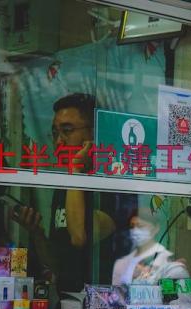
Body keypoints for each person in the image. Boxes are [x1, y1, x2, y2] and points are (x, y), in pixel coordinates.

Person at [14, 93, 115, 292]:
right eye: (54, 133)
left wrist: (76, 168)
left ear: (93, 133)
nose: (59, 141)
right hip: (66, 300)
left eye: (67, 131)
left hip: (101, 305)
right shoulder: (66, 186)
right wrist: (37, 233)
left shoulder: (111, 184)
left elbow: (79, 236)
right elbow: (57, 264)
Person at [112, 209, 189, 285]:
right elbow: (115, 294)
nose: (135, 231)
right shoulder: (121, 263)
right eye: (132, 226)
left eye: (140, 226)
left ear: (156, 228)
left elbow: (175, 295)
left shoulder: (168, 260)